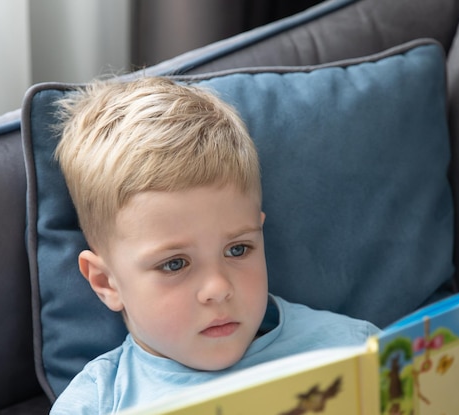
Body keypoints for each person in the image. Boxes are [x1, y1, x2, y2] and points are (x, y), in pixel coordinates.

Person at [50, 77, 380, 414]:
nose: (218, 289)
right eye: (175, 264)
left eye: (238, 249)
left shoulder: (356, 351)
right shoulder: (96, 404)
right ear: (107, 282)